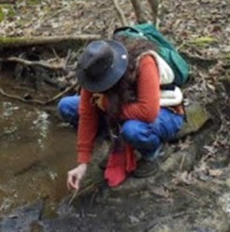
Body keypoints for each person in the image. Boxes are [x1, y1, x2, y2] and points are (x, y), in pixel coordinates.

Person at [58, 37, 185, 190]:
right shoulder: (93, 71)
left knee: (133, 131)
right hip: (123, 108)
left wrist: (106, 104)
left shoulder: (144, 62)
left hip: (164, 111)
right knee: (66, 106)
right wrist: (82, 163)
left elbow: (148, 112)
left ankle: (151, 153)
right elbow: (87, 115)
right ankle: (115, 140)